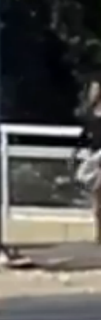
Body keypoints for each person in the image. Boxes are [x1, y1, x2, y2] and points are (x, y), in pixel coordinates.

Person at [73, 77, 101, 243]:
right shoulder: (90, 115)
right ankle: (98, 233)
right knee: (96, 199)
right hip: (94, 155)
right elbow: (85, 135)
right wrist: (76, 151)